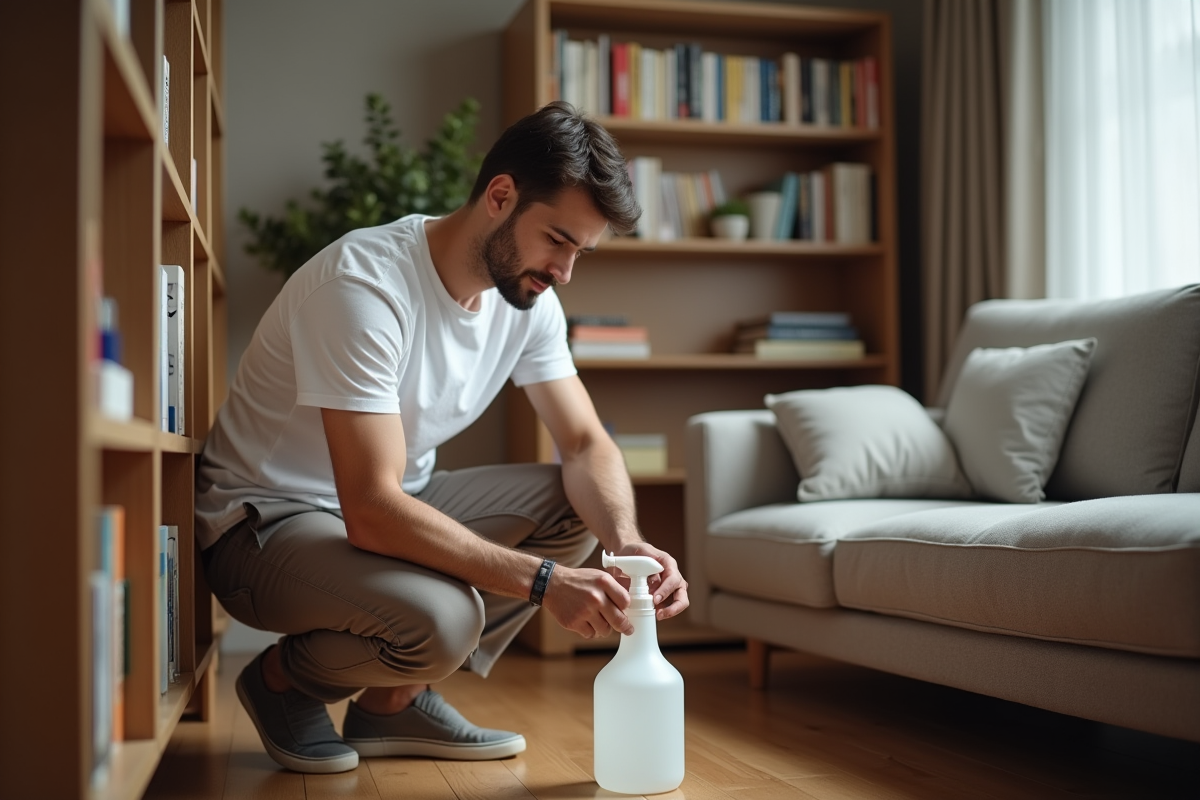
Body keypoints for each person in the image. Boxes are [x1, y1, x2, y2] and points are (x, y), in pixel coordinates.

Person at [195, 100, 690, 774]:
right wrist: (543, 582)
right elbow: (370, 507)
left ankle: (392, 703)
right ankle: (283, 681)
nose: (565, 272)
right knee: (446, 619)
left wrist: (625, 541)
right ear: (500, 195)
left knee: (580, 502)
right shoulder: (364, 287)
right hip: (262, 526)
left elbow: (584, 444)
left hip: (391, 502)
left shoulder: (528, 299)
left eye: (581, 252)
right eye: (558, 241)